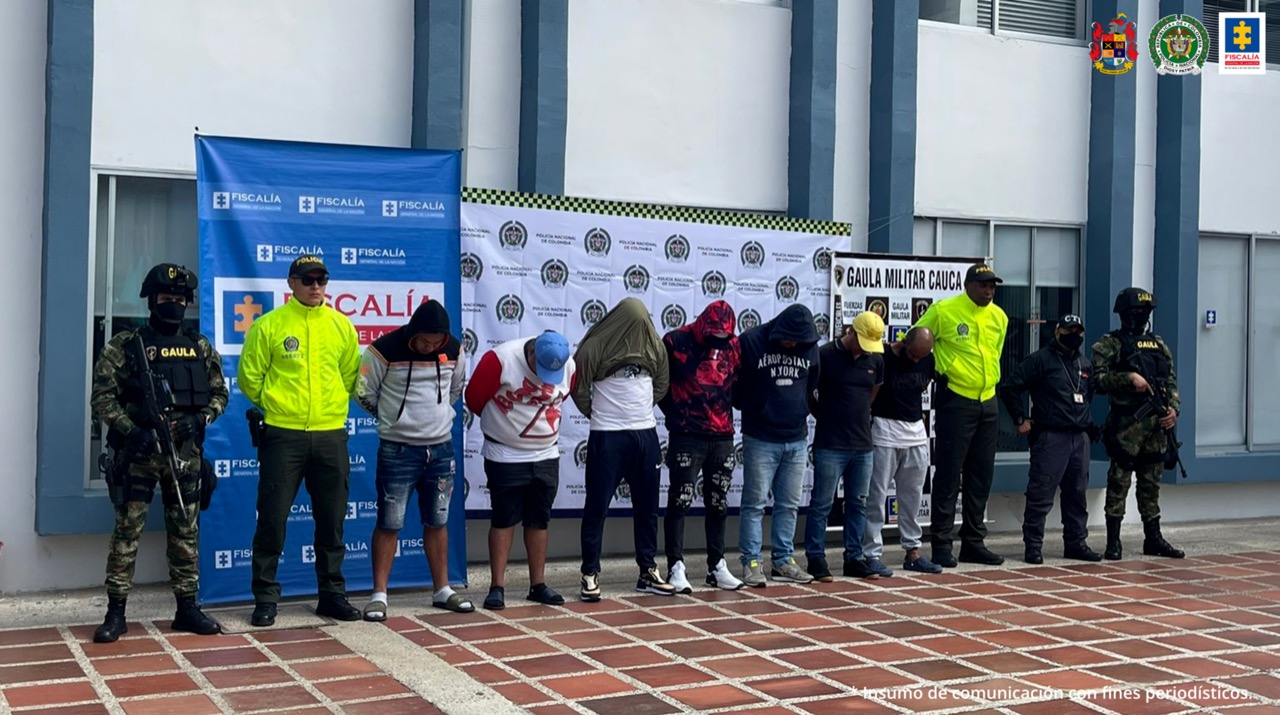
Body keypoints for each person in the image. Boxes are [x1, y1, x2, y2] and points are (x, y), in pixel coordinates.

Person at [90, 263, 227, 642]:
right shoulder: (125, 345)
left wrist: (199, 420)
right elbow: (102, 398)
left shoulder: (199, 346)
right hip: (139, 453)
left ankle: (187, 608)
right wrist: (132, 430)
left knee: (186, 533)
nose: (175, 306)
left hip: (184, 454)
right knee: (126, 535)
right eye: (167, 299)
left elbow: (220, 394)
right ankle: (115, 613)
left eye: (181, 300)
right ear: (152, 301)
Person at [239, 255, 362, 626]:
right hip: (283, 435)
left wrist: (330, 413)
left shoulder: (342, 326)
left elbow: (352, 378)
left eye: (321, 279)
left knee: (332, 521)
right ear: (291, 283)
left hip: (330, 434)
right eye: (307, 280)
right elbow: (249, 378)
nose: (315, 287)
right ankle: (265, 598)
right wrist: (278, 408)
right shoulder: (269, 325)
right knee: (273, 520)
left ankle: (331, 595)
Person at [356, 299, 470, 620]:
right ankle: (379, 595)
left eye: (436, 342)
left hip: (441, 449)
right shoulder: (383, 350)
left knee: (438, 520)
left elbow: (456, 388)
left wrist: (437, 416)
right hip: (398, 450)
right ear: (412, 332)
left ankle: (442, 590)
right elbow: (364, 392)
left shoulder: (454, 350)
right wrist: (393, 419)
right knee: (390, 522)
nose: (430, 347)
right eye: (424, 341)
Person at [464, 330, 576, 609]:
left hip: (547, 454)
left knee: (539, 520)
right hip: (505, 454)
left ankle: (537, 584)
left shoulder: (569, 364)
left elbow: (566, 394)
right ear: (532, 353)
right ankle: (497, 586)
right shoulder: (500, 360)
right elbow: (475, 398)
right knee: (503, 519)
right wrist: (506, 427)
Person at [572, 298, 674, 601]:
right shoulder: (594, 346)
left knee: (647, 507)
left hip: (645, 435)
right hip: (607, 436)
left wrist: (639, 409)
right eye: (635, 321)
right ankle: (589, 572)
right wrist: (600, 414)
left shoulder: (654, 345)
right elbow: (579, 386)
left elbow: (663, 382)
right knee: (597, 506)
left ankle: (647, 570)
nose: (639, 326)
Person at [913, 263, 1009, 567]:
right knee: (949, 473)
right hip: (957, 399)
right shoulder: (945, 310)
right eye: (982, 285)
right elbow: (916, 340)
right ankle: (941, 543)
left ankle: (973, 542)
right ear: (968, 285)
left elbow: (995, 354)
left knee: (981, 475)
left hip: (989, 400)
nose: (988, 290)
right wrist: (940, 371)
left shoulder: (999, 316)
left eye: (992, 285)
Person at [999, 315, 1103, 564]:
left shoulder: (1085, 364)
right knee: (1041, 493)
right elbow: (1010, 387)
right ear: (1057, 332)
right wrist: (1019, 418)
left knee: (1077, 494)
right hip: (1050, 437)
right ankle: (1033, 545)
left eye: (1078, 330)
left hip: (1079, 438)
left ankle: (1076, 543)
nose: (1074, 335)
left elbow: (1088, 396)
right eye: (1069, 330)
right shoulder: (1041, 360)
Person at [658, 300, 744, 592]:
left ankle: (717, 565)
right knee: (680, 500)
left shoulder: (734, 345)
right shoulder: (675, 340)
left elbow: (736, 383)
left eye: (724, 335)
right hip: (687, 433)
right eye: (713, 335)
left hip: (722, 435)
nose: (718, 341)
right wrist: (676, 414)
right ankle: (675, 566)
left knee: (718, 502)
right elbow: (661, 384)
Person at [1092, 288, 1184, 560]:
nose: (1140, 316)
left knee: (1150, 484)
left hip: (1156, 426)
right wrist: (1128, 378)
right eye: (1135, 312)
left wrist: (1173, 410)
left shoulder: (1158, 344)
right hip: (1126, 425)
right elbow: (1097, 380)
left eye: (1144, 312)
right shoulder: (1109, 344)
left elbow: (1170, 382)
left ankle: (1153, 538)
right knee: (1119, 482)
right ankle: (1113, 541)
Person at [735, 303, 821, 587]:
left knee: (789, 504)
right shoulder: (752, 340)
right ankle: (752, 562)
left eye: (798, 340)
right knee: (754, 504)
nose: (792, 343)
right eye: (788, 338)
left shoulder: (809, 346)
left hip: (796, 438)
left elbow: (812, 384)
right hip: (760, 437)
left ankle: (783, 560)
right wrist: (759, 407)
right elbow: (736, 385)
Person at [805, 312, 884, 582]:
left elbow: (874, 391)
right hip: (830, 443)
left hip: (863, 444)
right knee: (822, 504)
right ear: (850, 332)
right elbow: (808, 393)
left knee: (858, 503)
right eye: (861, 342)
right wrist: (825, 416)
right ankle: (815, 558)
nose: (865, 349)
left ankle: (854, 557)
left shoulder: (876, 359)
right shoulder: (824, 354)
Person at [865, 327, 943, 575]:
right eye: (913, 354)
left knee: (912, 498)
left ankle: (913, 551)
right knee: (876, 497)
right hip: (885, 430)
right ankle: (872, 554)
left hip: (916, 432)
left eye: (923, 355)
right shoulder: (884, 356)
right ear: (903, 343)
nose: (917, 360)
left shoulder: (928, 359)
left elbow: (925, 384)